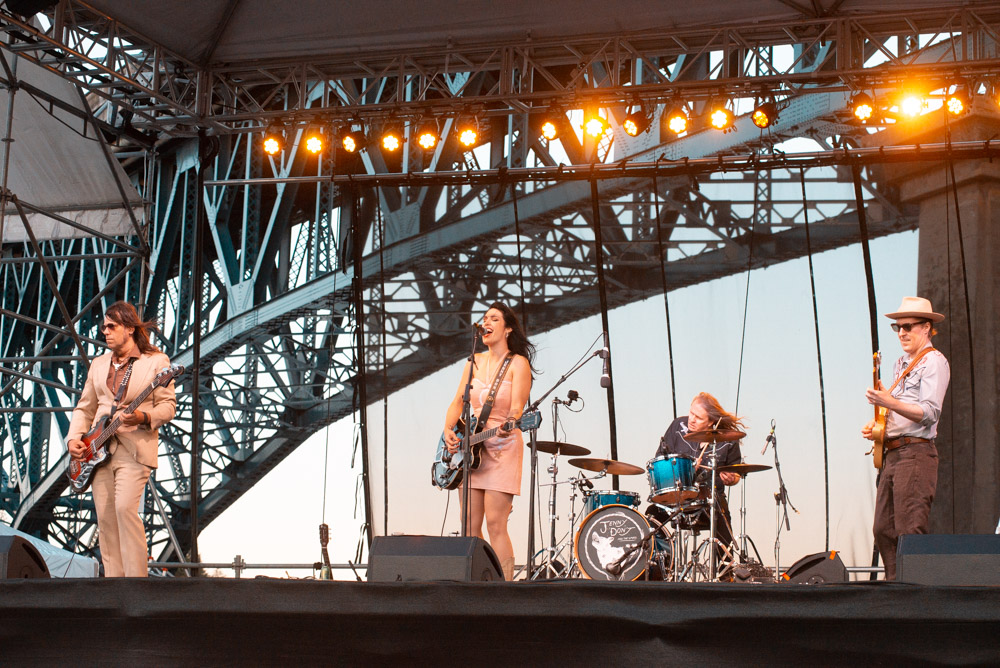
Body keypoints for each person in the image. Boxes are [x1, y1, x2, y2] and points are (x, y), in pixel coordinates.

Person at [67, 302, 177, 577]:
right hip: (98, 450)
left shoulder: (156, 362)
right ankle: (113, 587)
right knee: (105, 520)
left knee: (125, 509)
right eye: (104, 326)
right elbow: (85, 407)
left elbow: (168, 407)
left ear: (130, 328)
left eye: (111, 326)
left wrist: (141, 417)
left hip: (134, 448)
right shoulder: (99, 364)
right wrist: (73, 440)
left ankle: (136, 585)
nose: (105, 331)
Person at [442, 302, 534, 581]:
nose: (486, 322)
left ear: (507, 329)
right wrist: (448, 429)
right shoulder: (475, 361)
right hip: (470, 449)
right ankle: (477, 584)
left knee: (495, 523)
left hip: (502, 446)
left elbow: (518, 408)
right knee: (469, 525)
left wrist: (513, 422)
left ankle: (504, 588)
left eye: (494, 318)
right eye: (484, 318)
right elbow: (458, 401)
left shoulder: (518, 363)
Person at [862, 296, 950, 581]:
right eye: (897, 327)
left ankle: (912, 594)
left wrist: (889, 403)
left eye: (908, 326)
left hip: (915, 454)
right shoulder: (901, 363)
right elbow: (901, 408)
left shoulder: (934, 362)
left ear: (926, 327)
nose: (901, 332)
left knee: (909, 529)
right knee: (882, 529)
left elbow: (929, 413)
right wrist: (879, 427)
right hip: (893, 455)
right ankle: (894, 587)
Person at [651, 392, 744, 569]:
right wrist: (684, 471)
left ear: (710, 422)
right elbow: (660, 462)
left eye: (698, 417)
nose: (691, 420)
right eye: (691, 413)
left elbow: (737, 471)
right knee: (651, 518)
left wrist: (732, 478)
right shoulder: (678, 427)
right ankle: (660, 566)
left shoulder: (728, 440)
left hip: (709, 498)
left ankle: (726, 572)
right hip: (676, 494)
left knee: (722, 515)